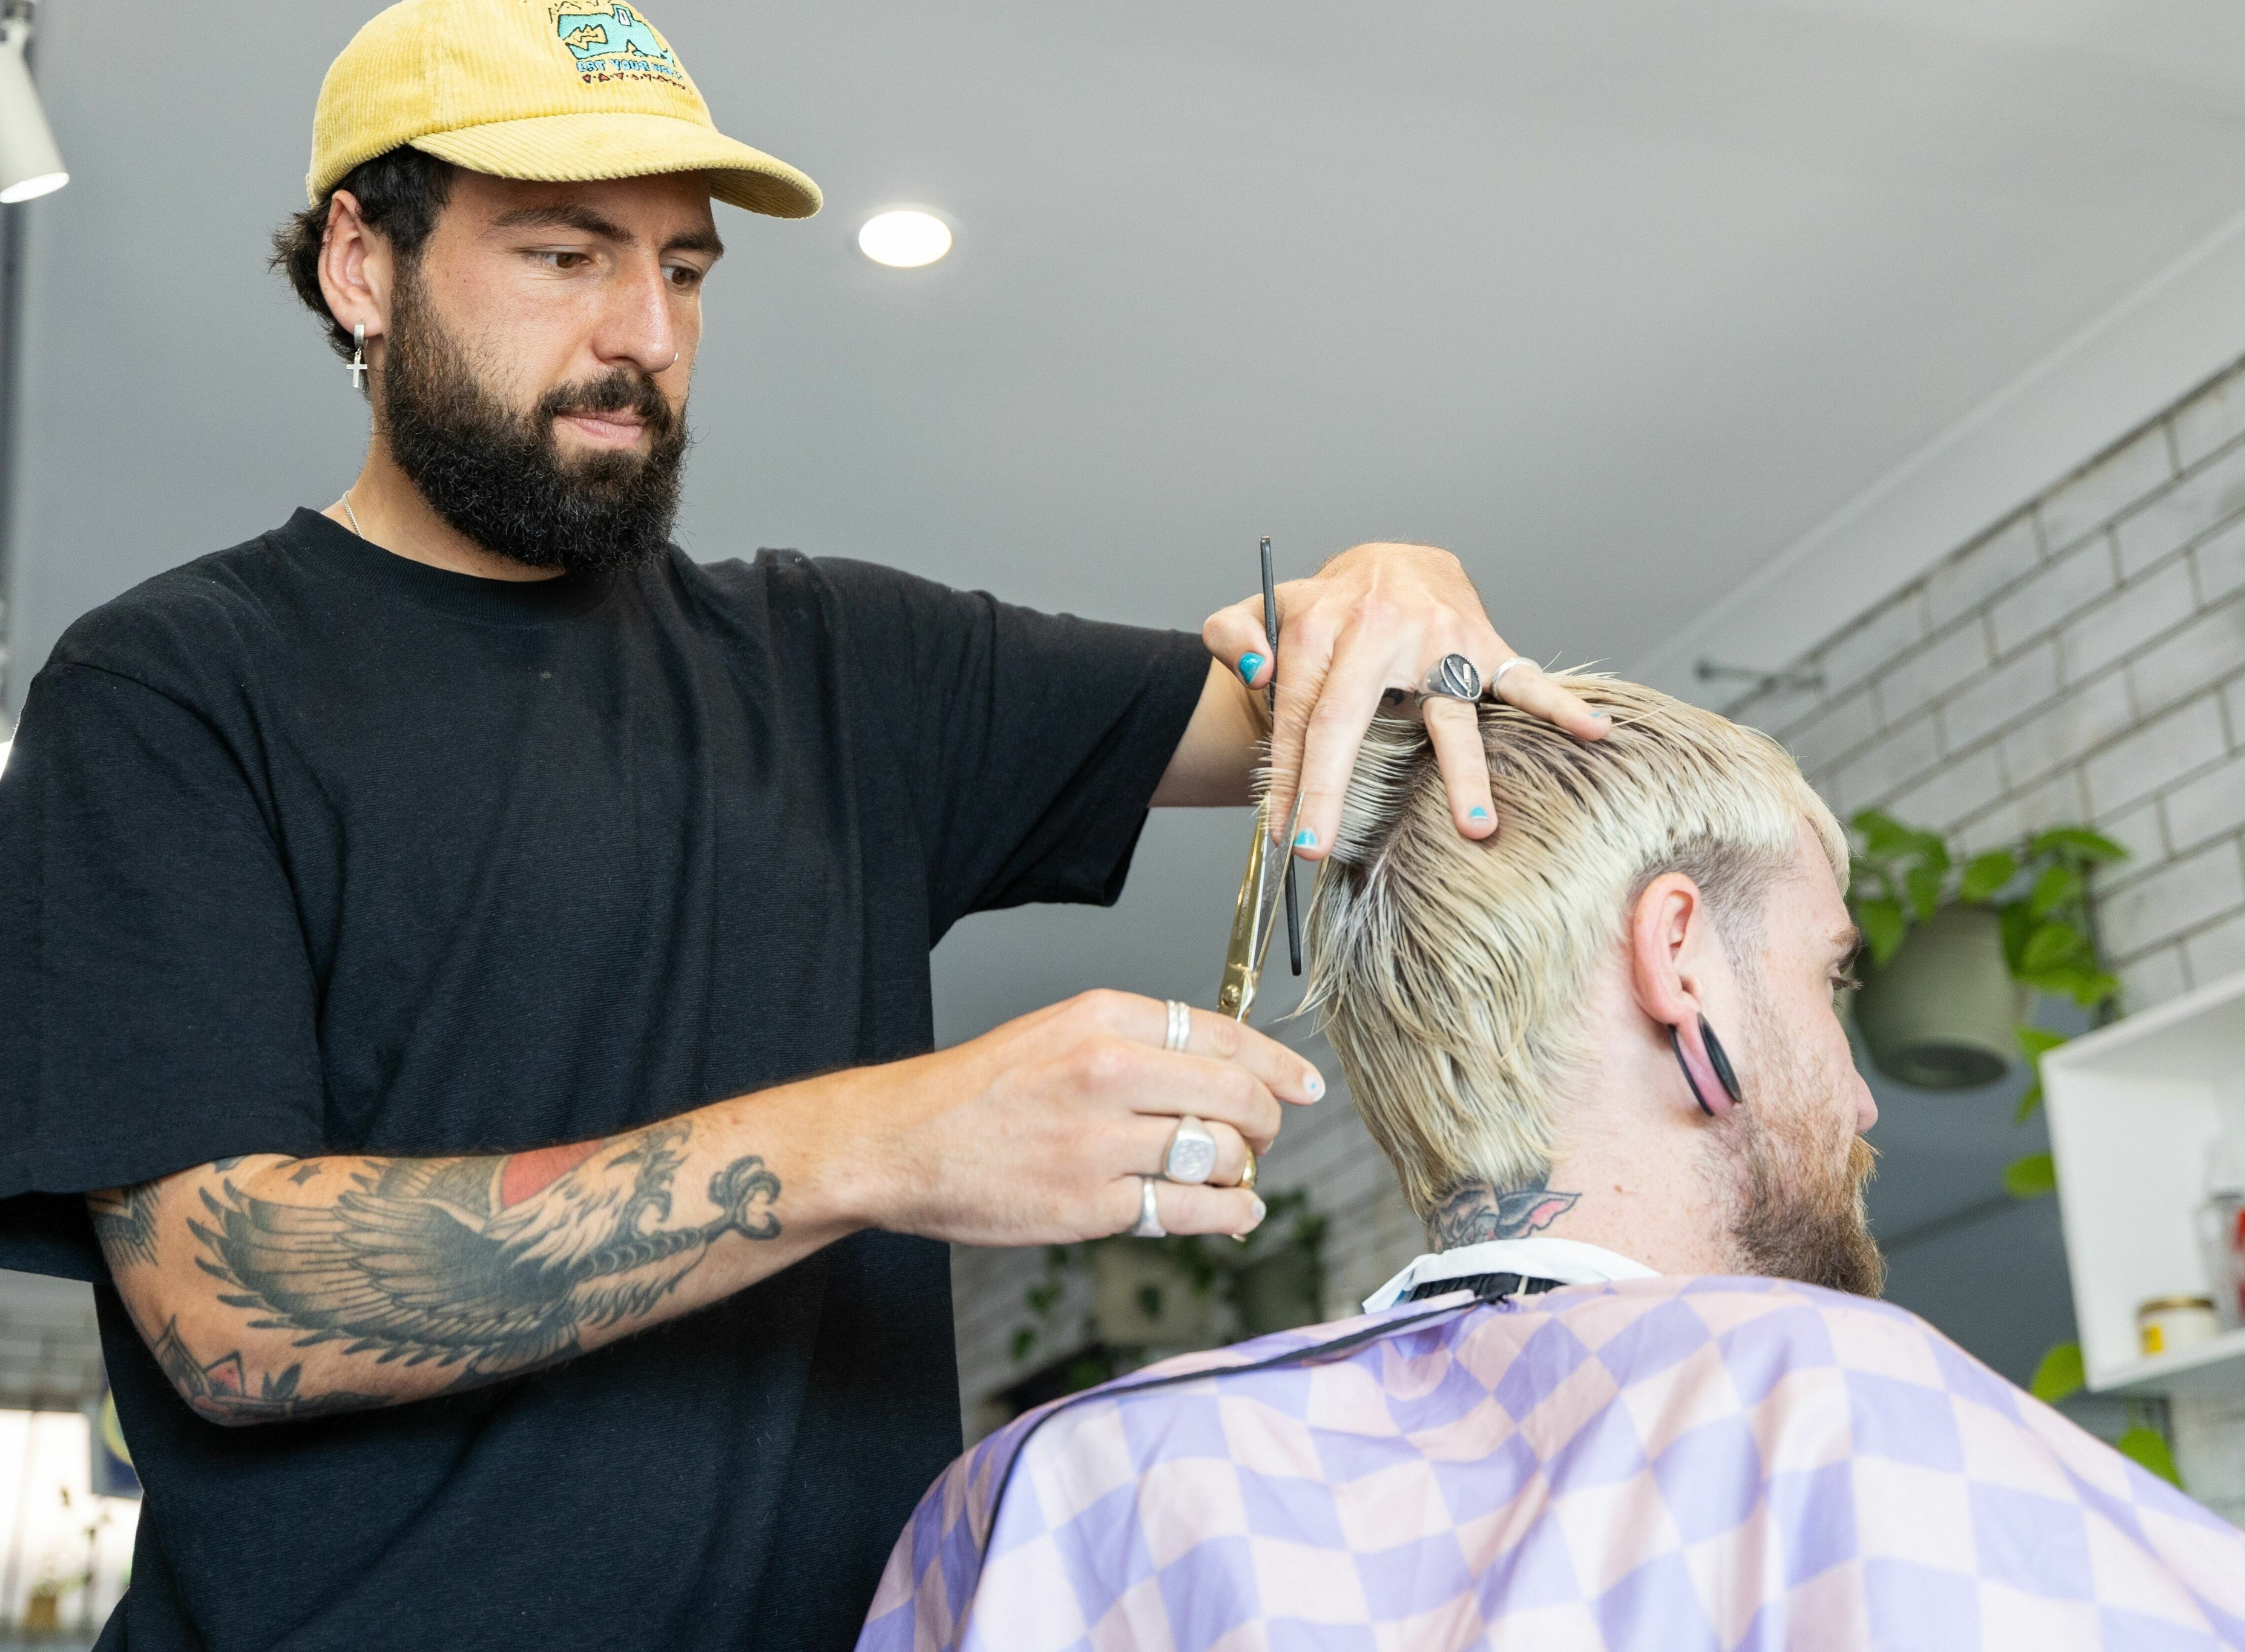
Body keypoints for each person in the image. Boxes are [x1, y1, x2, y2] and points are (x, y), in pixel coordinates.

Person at [0, 0, 1608, 1649]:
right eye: (563, 255)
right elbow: (229, 1307)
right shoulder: (174, 690)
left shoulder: (841, 668)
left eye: (682, 269)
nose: (645, 336)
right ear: (361, 263)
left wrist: (1396, 597)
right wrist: (894, 1137)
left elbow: (1327, 701)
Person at [859, 677, 2245, 1652]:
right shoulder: (1833, 1404)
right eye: (1830, 980)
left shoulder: (1047, 1494)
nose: (1866, 1100)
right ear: (1678, 955)